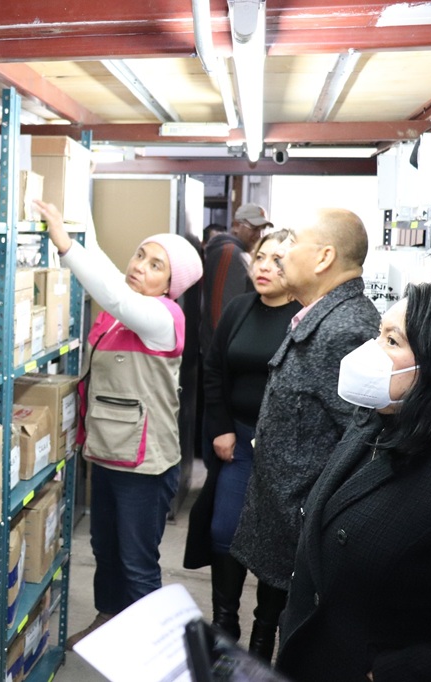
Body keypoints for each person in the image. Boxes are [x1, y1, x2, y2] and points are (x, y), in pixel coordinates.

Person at [277, 282, 431, 681]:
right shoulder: (376, 419)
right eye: (377, 334)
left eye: (392, 341)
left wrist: (392, 672)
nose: (371, 351)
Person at [32, 198, 203, 649]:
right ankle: (107, 620)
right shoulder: (116, 317)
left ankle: (148, 656)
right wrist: (76, 205)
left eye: (155, 265)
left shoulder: (163, 318)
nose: (140, 266)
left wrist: (66, 246)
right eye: (140, 255)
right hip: (107, 452)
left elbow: (111, 290)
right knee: (104, 551)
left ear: (172, 284)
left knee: (137, 563)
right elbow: (109, 271)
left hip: (145, 465)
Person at [229, 208, 380, 661]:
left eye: (294, 245)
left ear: (323, 258)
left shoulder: (346, 328)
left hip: (311, 531)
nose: (281, 256)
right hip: (294, 518)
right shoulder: (321, 316)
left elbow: (361, 447)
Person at [183, 230, 301, 644]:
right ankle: (224, 621)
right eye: (262, 257)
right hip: (237, 442)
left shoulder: (306, 316)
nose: (266, 266)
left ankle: (265, 629)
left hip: (285, 451)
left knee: (276, 541)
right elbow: (214, 370)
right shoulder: (239, 309)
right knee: (223, 530)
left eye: (279, 260)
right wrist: (222, 428)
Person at [201, 203, 273, 355]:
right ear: (235, 226)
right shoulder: (230, 253)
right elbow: (220, 310)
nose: (258, 235)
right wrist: (225, 354)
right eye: (253, 228)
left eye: (261, 229)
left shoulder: (238, 252)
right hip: (225, 352)